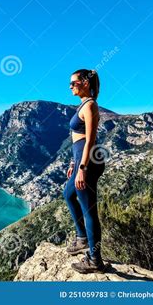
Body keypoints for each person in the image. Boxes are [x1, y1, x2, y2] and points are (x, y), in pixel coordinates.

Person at [63, 68, 106, 273]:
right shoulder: (83, 105)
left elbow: (90, 139)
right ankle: (81, 238)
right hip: (81, 160)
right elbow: (77, 140)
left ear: (85, 83)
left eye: (74, 83)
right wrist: (74, 163)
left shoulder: (89, 106)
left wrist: (82, 168)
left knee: (89, 211)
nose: (70, 86)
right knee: (68, 195)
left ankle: (95, 259)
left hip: (88, 163)